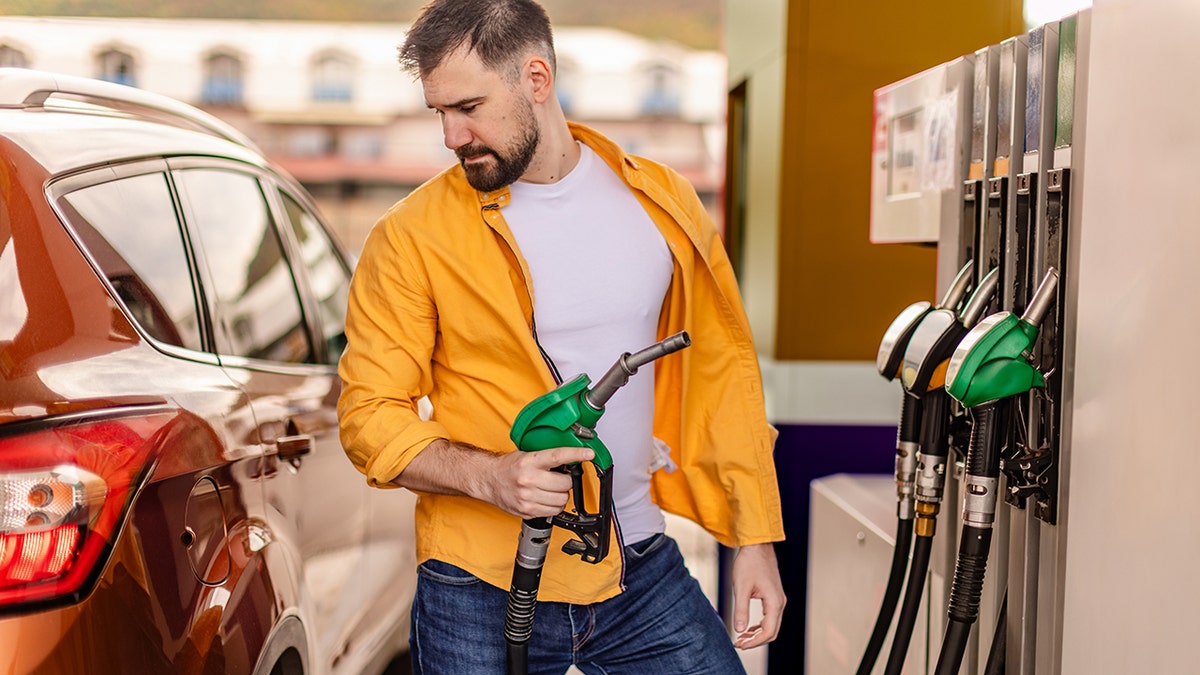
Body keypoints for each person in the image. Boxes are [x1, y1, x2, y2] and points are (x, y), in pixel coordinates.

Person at [337, 0, 786, 672]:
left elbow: (722, 377)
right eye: (440, 113)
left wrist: (755, 538)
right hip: (479, 582)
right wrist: (488, 477)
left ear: (537, 80)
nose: (452, 135)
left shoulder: (660, 203)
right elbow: (368, 415)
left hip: (637, 563)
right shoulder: (411, 237)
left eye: (469, 107)